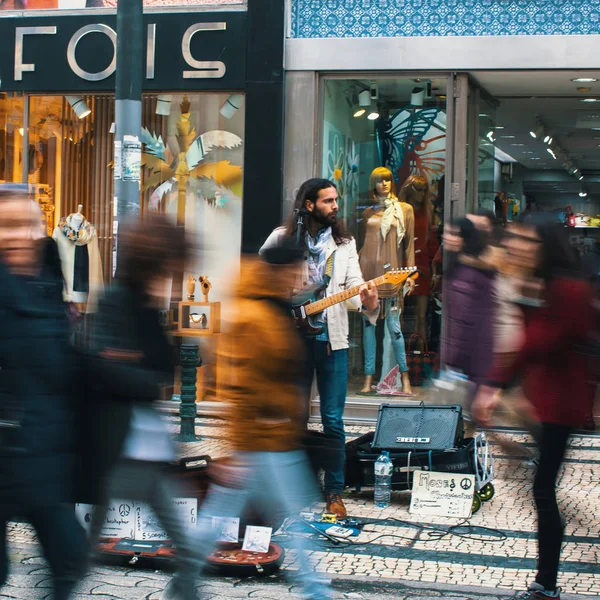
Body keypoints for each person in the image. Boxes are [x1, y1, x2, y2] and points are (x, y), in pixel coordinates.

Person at [194, 243, 332, 600]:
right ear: (278, 272)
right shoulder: (255, 315)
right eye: (294, 271)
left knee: (222, 516)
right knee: (294, 519)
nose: (298, 278)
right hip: (262, 442)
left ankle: (184, 580)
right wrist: (238, 447)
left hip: (275, 438)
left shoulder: (272, 309)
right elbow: (240, 385)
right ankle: (316, 590)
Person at [473, 215, 595, 600]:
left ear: (545, 245)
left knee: (542, 488)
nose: (517, 247)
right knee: (542, 486)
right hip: (546, 398)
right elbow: (529, 342)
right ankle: (546, 581)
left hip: (564, 401)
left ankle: (546, 584)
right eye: (514, 240)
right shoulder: (542, 284)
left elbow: (539, 342)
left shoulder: (567, 289)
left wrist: (495, 384)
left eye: (525, 241)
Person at [84, 215, 200, 600]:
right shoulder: (117, 299)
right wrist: (140, 371)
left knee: (185, 549)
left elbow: (162, 369)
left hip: (144, 448)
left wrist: (138, 366)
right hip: (118, 446)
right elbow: (111, 368)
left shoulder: (148, 307)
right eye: (165, 267)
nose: (169, 276)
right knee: (81, 552)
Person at [260, 178, 379, 519]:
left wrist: (367, 297)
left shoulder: (344, 243)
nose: (335, 206)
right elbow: (262, 282)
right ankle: (292, 487)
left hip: (332, 343)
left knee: (333, 420)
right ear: (309, 205)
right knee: (293, 416)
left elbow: (355, 285)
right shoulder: (280, 238)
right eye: (327, 201)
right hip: (290, 342)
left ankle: (334, 493)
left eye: (336, 200)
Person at [0, 184, 88, 599]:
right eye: (5, 227)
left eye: (26, 226)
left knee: (70, 559)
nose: (17, 236)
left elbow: (60, 371)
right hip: (11, 452)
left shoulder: (50, 288)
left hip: (43, 455)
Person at [358, 167, 415, 395]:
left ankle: (405, 377)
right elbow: (361, 243)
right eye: (379, 181)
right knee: (368, 329)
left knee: (395, 329)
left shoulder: (404, 210)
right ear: (373, 184)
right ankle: (368, 378)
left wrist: (410, 274)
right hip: (368, 276)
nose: (384, 184)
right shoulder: (367, 212)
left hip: (392, 277)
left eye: (388, 180)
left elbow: (409, 244)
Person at [442, 217, 495, 423]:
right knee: (472, 421)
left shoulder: (466, 273)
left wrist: (452, 358)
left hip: (473, 360)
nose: (447, 237)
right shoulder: (462, 267)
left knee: (472, 420)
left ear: (465, 239)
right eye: (446, 232)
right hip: (473, 359)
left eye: (454, 233)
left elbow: (462, 321)